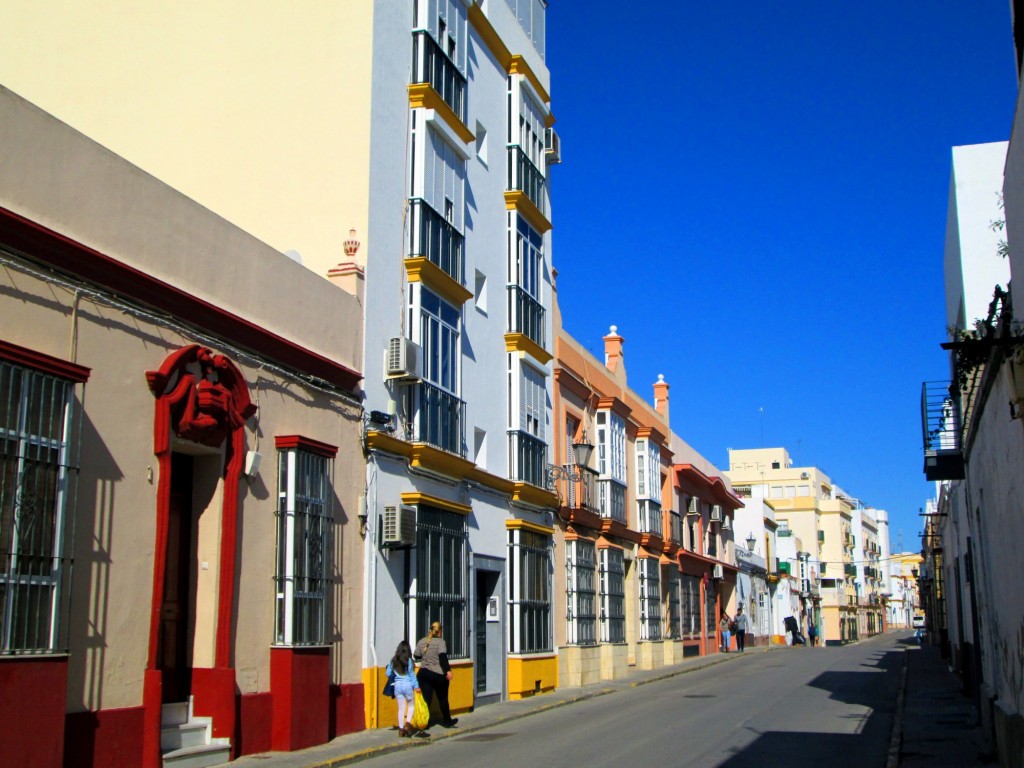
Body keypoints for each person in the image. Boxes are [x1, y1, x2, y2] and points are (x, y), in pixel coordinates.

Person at [415, 621, 459, 728]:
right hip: (438, 674)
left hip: (424, 673)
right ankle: (447, 721)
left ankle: (423, 722)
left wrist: (427, 657)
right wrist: (448, 671)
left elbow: (416, 655)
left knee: (426, 699)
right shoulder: (440, 642)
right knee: (443, 698)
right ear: (439, 631)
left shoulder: (422, 641)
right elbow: (443, 657)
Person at [386, 641, 422, 737]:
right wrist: (416, 686)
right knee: (411, 706)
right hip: (407, 685)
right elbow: (412, 675)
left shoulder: (393, 660)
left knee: (401, 709)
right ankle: (408, 724)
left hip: (397, 686)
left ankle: (401, 729)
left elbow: (388, 673)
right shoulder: (409, 661)